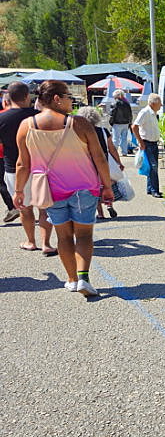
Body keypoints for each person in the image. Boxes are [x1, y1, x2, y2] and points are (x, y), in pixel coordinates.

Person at [13, 80, 114, 296]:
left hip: (51, 191)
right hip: (85, 189)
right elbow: (99, 158)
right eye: (68, 96)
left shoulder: (27, 126)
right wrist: (107, 186)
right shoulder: (79, 124)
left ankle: (71, 279)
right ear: (57, 99)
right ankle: (84, 278)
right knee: (85, 235)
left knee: (63, 236)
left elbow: (22, 164)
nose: (71, 101)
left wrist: (19, 191)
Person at [0, 81, 55, 253]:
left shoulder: (2, 118)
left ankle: (31, 241)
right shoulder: (39, 116)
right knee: (44, 207)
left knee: (24, 207)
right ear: (27, 96)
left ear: (8, 98)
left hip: (13, 168)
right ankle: (46, 244)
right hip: (41, 167)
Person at [77, 106, 123, 219]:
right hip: (104, 162)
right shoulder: (103, 131)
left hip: (88, 164)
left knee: (94, 188)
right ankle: (109, 205)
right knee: (106, 185)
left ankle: (100, 213)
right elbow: (112, 148)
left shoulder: (80, 133)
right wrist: (118, 162)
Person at [131, 93, 162, 197]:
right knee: (153, 167)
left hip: (153, 143)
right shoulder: (145, 112)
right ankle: (155, 190)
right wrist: (140, 142)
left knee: (151, 167)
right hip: (147, 143)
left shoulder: (153, 112)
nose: (161, 105)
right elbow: (134, 127)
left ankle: (150, 189)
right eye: (159, 103)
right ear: (153, 103)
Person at [0, 91, 20, 223]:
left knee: (2, 182)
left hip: (3, 154)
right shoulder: (25, 115)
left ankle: (13, 207)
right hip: (20, 154)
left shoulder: (2, 116)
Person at [109, 89, 133, 156]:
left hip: (117, 123)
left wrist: (111, 122)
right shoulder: (127, 103)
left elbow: (112, 114)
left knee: (115, 139)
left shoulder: (115, 103)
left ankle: (114, 152)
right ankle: (124, 152)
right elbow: (130, 114)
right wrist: (129, 123)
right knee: (124, 139)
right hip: (126, 123)